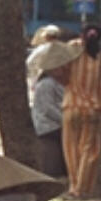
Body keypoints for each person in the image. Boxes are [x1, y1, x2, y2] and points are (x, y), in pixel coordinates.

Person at [61, 24, 101, 197]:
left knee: (70, 147)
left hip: (71, 106)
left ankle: (73, 185)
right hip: (93, 108)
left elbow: (60, 69)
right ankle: (83, 187)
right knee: (89, 149)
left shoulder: (72, 48)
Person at [29, 39, 79, 178]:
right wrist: (66, 120)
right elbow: (48, 109)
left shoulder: (61, 84)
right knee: (51, 165)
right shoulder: (46, 84)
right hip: (49, 127)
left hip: (60, 126)